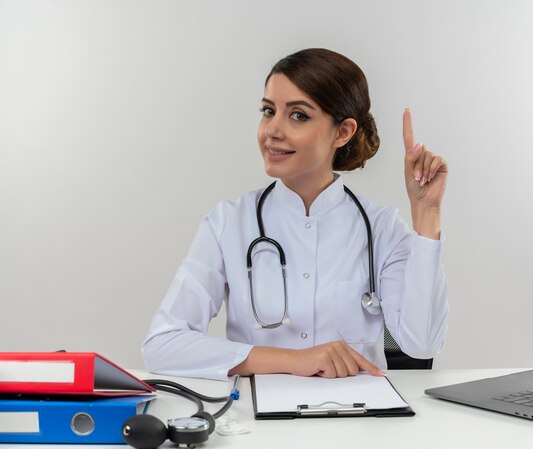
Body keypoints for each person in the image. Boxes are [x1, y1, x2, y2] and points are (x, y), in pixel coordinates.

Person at [142, 48, 449, 381]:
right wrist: (292, 359)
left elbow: (422, 344)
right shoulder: (228, 223)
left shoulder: (382, 228)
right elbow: (162, 344)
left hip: (359, 423)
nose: (272, 130)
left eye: (298, 115)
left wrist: (426, 213)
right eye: (268, 111)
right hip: (259, 424)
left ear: (342, 132)